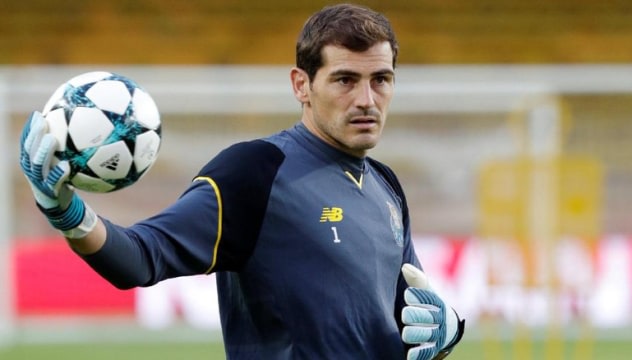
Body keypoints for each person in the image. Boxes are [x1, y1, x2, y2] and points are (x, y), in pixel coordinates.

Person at [19, 3, 464, 359]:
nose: (366, 99)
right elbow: (140, 258)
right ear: (301, 85)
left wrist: (447, 332)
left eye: (380, 80)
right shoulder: (255, 172)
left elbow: (415, 321)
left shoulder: (386, 186)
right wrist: (68, 213)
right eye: (345, 80)